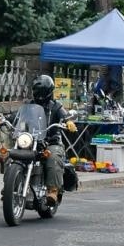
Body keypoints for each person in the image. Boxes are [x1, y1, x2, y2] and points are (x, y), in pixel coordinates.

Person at [29, 74, 75, 204]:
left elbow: (65, 115)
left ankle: (53, 190)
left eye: (41, 91)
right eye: (36, 91)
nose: (38, 94)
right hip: (32, 140)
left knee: (53, 157)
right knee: (12, 153)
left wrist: (68, 122)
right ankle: (11, 185)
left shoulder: (56, 106)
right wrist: (5, 118)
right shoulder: (30, 104)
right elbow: (18, 115)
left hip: (51, 141)